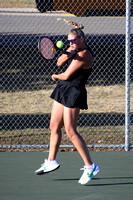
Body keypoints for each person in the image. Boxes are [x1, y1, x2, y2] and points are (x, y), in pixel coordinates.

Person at [35, 28, 100, 185]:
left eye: (73, 40)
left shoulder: (85, 54)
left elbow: (65, 75)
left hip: (73, 92)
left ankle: (91, 166)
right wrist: (68, 53)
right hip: (62, 90)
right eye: (68, 41)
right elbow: (58, 62)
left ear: (82, 38)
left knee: (70, 131)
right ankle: (51, 161)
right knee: (54, 126)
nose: (70, 43)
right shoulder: (73, 49)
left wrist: (54, 76)